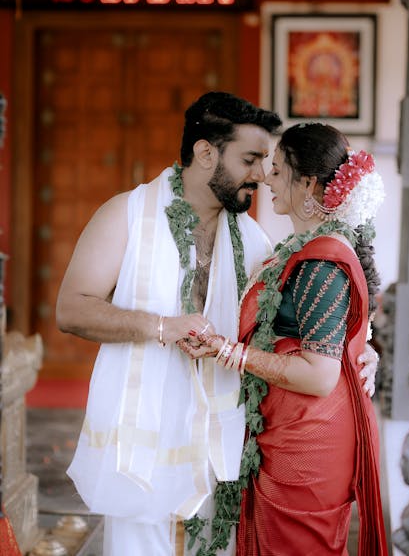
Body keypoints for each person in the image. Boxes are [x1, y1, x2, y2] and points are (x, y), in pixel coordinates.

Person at [56, 92, 379, 556]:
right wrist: (163, 326)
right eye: (250, 159)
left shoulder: (255, 240)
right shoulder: (126, 214)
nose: (262, 175)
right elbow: (72, 309)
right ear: (206, 152)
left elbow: (303, 322)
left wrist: (360, 349)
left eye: (268, 161)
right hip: (142, 437)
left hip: (223, 443)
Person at [182, 122, 388, 555]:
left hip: (307, 440)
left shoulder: (321, 261)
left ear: (308, 182)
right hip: (291, 425)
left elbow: (318, 376)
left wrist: (228, 352)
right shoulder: (306, 246)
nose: (267, 179)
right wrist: (361, 348)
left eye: (277, 169)